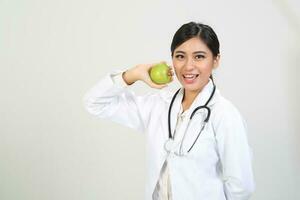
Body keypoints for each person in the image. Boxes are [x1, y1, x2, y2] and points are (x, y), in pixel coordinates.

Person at [83, 21, 255, 200]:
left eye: (199, 56)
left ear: (216, 60)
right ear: (172, 59)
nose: (188, 66)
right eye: (180, 56)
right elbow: (94, 103)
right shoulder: (159, 104)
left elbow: (241, 187)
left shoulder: (224, 114)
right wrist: (133, 74)